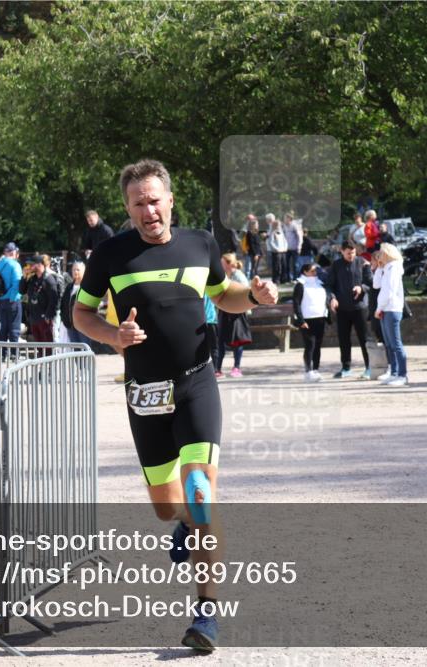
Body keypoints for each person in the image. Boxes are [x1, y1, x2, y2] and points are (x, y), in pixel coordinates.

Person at [72, 159, 278, 652]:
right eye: (138, 203)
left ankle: (205, 615)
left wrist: (252, 294)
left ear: (170, 200)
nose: (149, 211)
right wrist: (113, 336)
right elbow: (81, 313)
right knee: (168, 509)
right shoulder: (110, 255)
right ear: (127, 208)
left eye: (155, 200)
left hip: (196, 384)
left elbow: (222, 293)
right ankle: (183, 523)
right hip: (145, 395)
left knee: (202, 495)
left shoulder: (200, 244)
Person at [324, 240, 373, 379]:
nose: (351, 255)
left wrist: (361, 288)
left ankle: (369, 367)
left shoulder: (363, 262)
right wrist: (332, 298)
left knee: (365, 339)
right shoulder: (336, 265)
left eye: (353, 253)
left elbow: (371, 283)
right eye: (348, 253)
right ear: (342, 251)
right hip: (342, 309)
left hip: (360, 308)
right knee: (344, 339)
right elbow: (329, 285)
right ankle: (346, 368)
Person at [374, 243, 408, 386]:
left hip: (392, 309)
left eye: (381, 253)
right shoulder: (386, 268)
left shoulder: (394, 268)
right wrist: (379, 268)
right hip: (385, 309)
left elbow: (389, 291)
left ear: (387, 254)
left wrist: (379, 308)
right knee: (389, 344)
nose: (379, 256)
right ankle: (394, 373)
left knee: (396, 343)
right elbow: (376, 285)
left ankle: (402, 375)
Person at [293, 262, 330, 382]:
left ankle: (316, 369)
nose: (315, 273)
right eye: (313, 271)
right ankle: (308, 371)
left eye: (316, 271)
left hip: (320, 318)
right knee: (310, 345)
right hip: (307, 320)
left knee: (318, 346)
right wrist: (301, 320)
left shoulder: (320, 283)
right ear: (305, 272)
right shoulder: (300, 284)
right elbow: (296, 304)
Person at [217, 253, 249, 377]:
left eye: (222, 263)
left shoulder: (238, 276)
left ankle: (236, 368)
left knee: (237, 341)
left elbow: (246, 291)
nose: (220, 265)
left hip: (237, 312)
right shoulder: (223, 275)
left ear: (229, 264)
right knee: (221, 340)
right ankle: (218, 368)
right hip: (224, 311)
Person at [0, 242, 24, 358]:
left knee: (3, 327)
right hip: (12, 301)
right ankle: (14, 354)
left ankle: (3, 354)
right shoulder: (15, 265)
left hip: (0, 301)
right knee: (14, 327)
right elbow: (17, 284)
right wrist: (13, 298)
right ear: (14, 253)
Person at [20, 255, 59, 356]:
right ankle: (43, 368)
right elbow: (21, 290)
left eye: (32, 265)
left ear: (39, 265)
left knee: (48, 346)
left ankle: (50, 368)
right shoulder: (32, 279)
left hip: (44, 319)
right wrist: (24, 277)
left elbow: (54, 299)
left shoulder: (49, 279)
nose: (29, 267)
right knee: (39, 347)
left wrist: (48, 316)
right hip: (34, 318)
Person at [61, 261, 92, 345]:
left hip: (84, 325)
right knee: (75, 351)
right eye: (74, 270)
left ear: (84, 271)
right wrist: (64, 319)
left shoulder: (87, 286)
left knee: (85, 349)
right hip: (71, 325)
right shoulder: (69, 286)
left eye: (78, 270)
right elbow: (64, 304)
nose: (75, 272)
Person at [266, 216, 288, 283]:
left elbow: (285, 241)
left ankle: (283, 279)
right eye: (278, 225)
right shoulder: (272, 232)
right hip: (276, 252)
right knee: (277, 267)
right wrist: (276, 249)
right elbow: (271, 242)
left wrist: (285, 248)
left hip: (283, 251)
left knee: (283, 265)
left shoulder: (281, 232)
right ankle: (276, 279)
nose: (279, 226)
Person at [204, 295, 221, 376]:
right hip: (211, 321)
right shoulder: (211, 291)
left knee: (205, 348)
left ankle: (208, 370)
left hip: (201, 321)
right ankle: (215, 369)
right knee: (214, 347)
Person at [283, 213, 302, 282]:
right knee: (286, 264)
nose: (284, 219)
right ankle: (288, 279)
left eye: (285, 218)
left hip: (294, 248)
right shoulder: (284, 226)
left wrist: (299, 247)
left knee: (295, 265)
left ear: (289, 219)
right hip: (287, 248)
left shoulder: (294, 226)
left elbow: (299, 237)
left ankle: (295, 278)